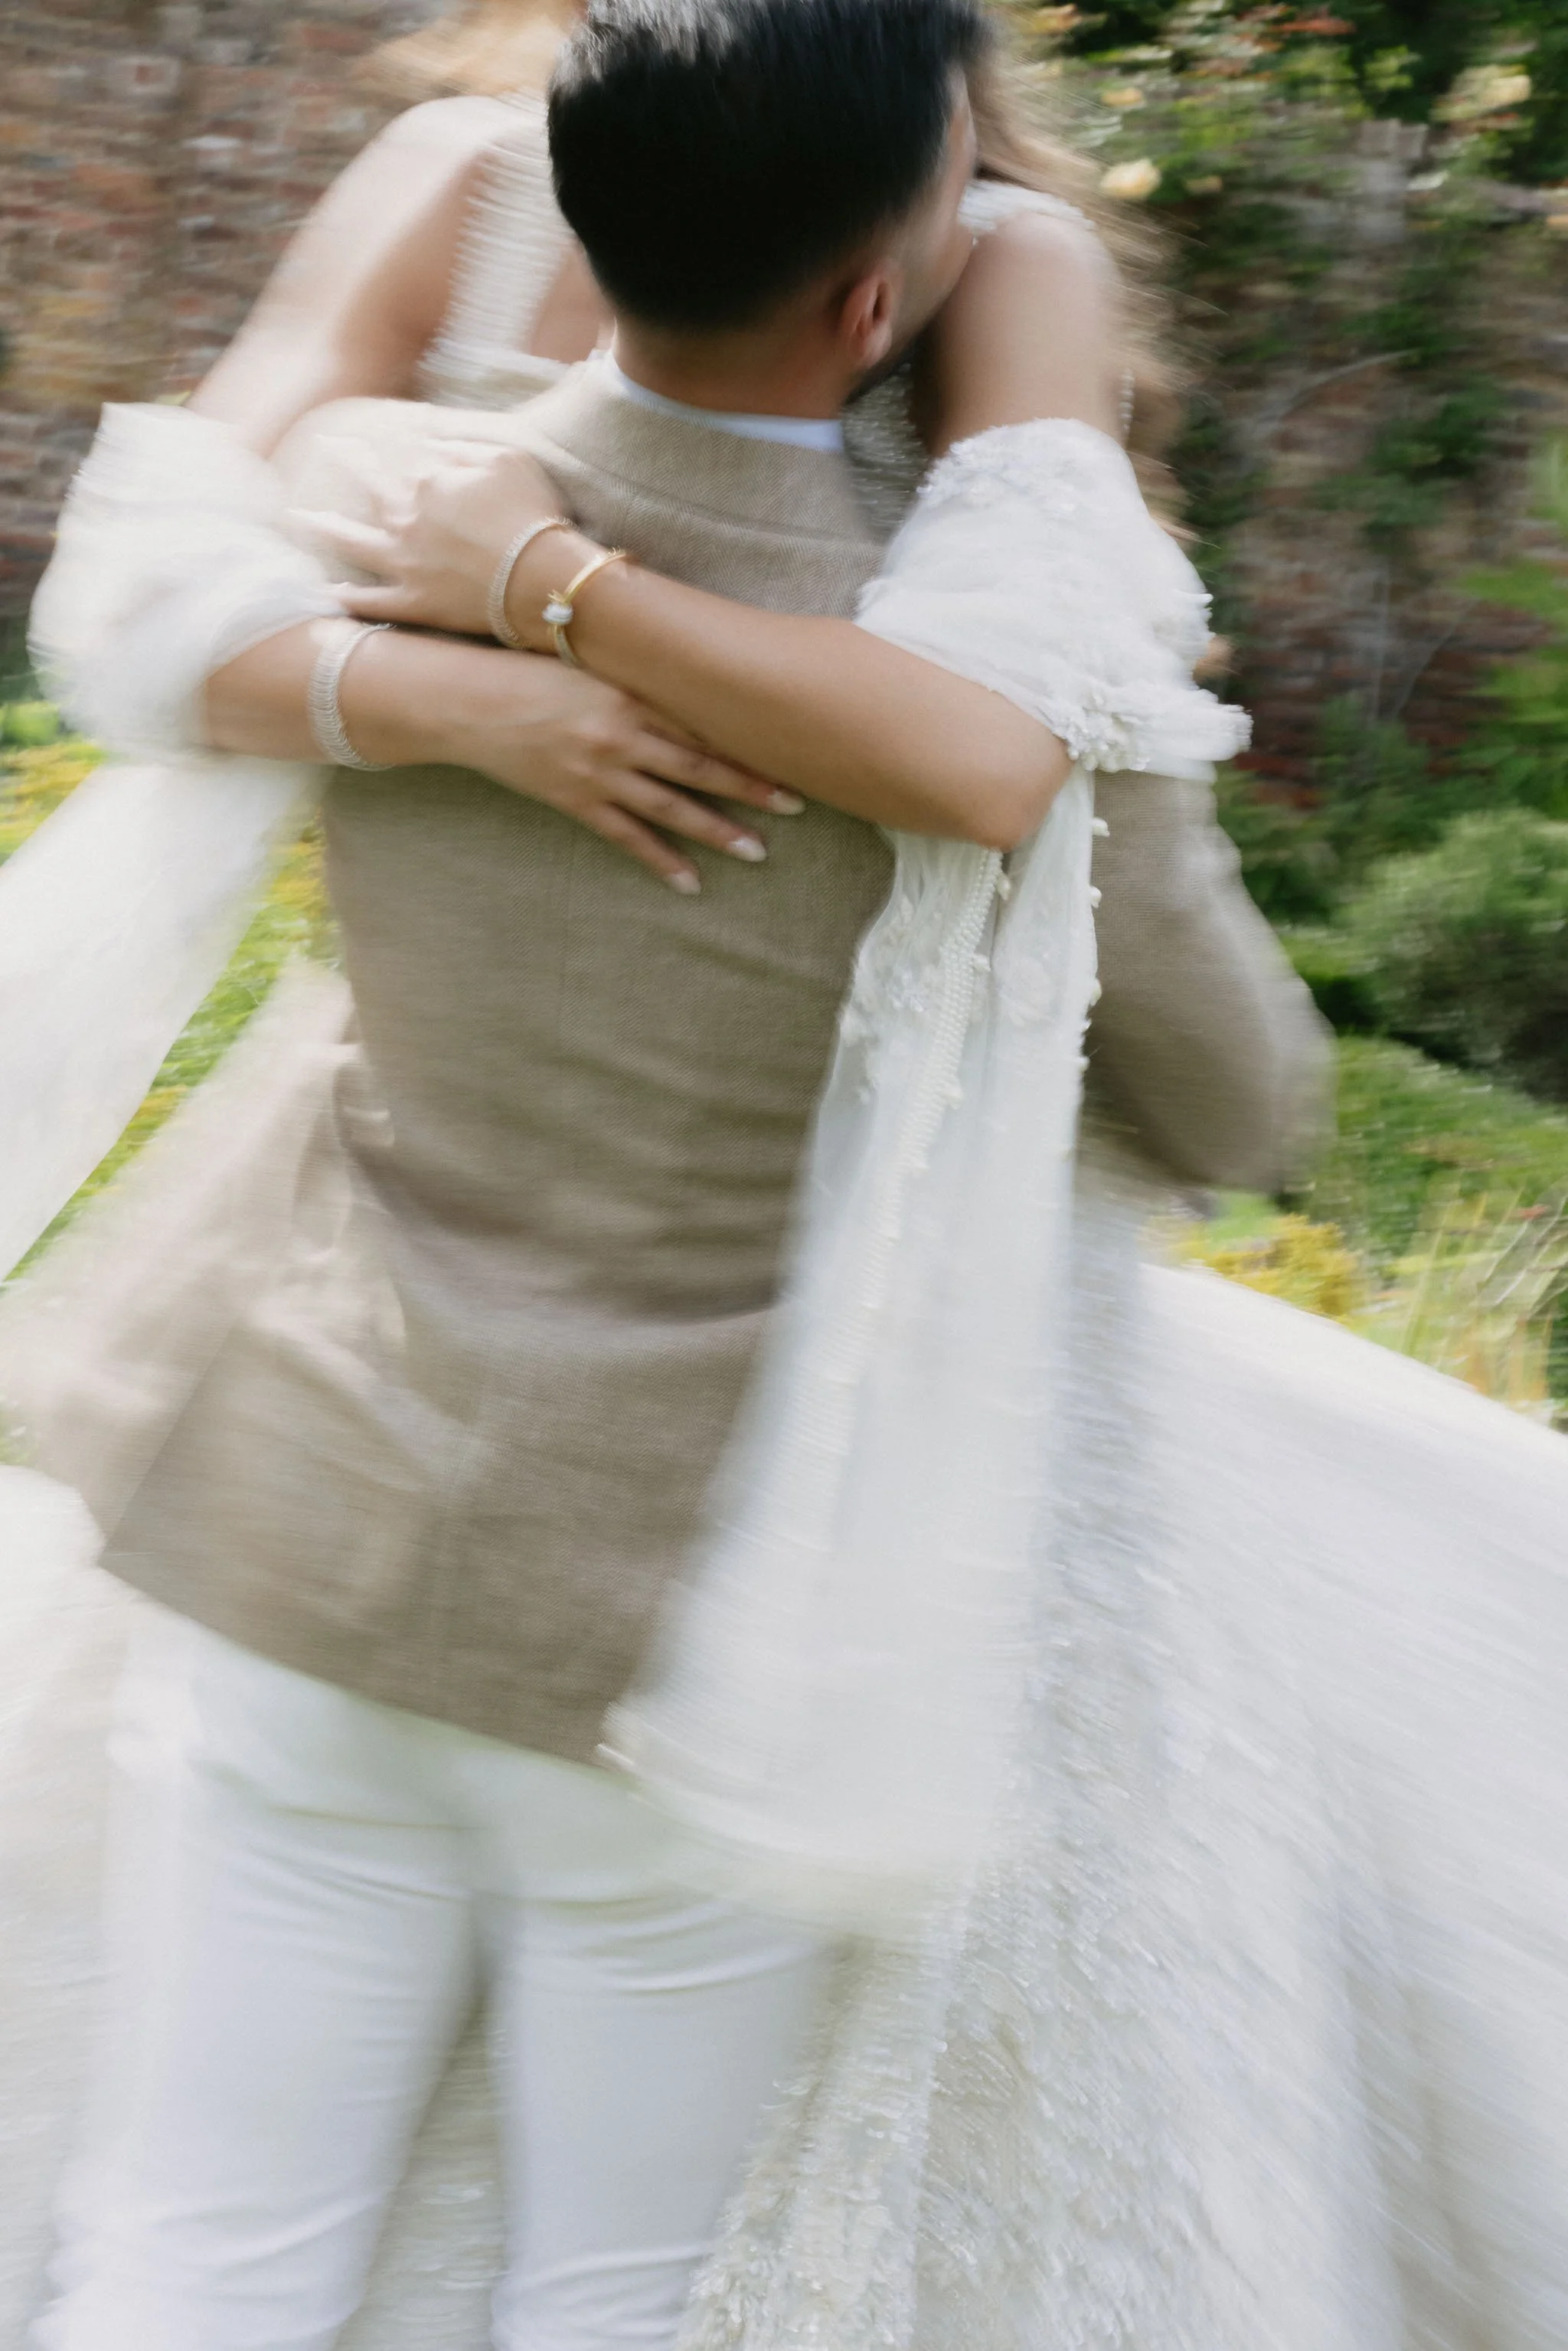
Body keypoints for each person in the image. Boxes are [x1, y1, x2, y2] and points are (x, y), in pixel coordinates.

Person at [3, 5, 1566, 2351]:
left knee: (188, 2241)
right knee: (620, 2278)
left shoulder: (398, 512)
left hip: (311, 1482)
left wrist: (505, 621)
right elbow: (1212, 1066)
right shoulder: (988, 625)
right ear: (890, 286)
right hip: (700, 1582)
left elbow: (152, 596)